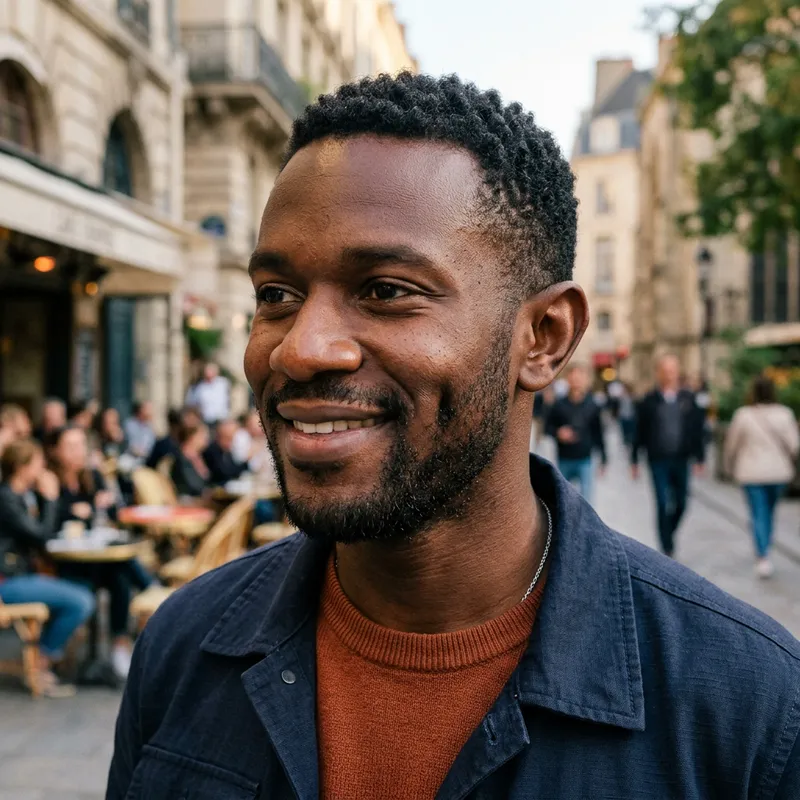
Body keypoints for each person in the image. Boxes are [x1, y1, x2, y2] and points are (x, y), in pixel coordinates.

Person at [108, 73, 800, 799]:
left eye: (386, 290)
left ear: (544, 337)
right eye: (276, 296)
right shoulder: (183, 649)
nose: (300, 349)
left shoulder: (747, 714)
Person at [47, 426, 152, 678]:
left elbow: (115, 514)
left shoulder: (92, 475)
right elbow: (51, 523)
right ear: (56, 451)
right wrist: (82, 509)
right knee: (123, 568)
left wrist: (106, 501)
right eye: (70, 446)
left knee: (120, 573)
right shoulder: (51, 481)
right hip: (68, 563)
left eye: (81, 445)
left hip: (98, 560)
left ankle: (118, 644)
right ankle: (150, 593)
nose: (78, 451)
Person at [0, 439, 95, 696]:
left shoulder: (22, 496)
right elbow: (42, 535)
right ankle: (42, 661)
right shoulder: (6, 498)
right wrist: (51, 499)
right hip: (7, 582)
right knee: (81, 600)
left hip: (23, 575)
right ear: (22, 467)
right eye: (38, 462)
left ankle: (53, 658)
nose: (43, 467)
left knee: (85, 587)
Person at [724, 376, 799, 579]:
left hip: (751, 473)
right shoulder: (785, 414)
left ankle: (762, 555)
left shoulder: (743, 415)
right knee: (770, 512)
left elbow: (732, 444)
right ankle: (765, 547)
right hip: (778, 473)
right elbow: (794, 445)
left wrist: (728, 465)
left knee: (758, 513)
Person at [631, 354, 706, 557]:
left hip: (681, 458)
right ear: (659, 373)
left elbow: (698, 429)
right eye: (665, 370)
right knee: (663, 503)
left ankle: (668, 533)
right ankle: (667, 546)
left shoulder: (688, 399)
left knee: (681, 503)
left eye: (673, 370)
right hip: (658, 459)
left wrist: (700, 457)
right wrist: (634, 460)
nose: (669, 374)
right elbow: (639, 431)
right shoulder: (649, 400)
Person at [545, 364, 606, 502]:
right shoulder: (558, 404)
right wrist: (558, 432)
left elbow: (598, 433)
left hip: (585, 460)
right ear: (568, 379)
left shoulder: (593, 405)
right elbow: (547, 428)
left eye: (580, 376)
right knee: (563, 501)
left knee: (587, 501)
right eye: (573, 376)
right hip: (564, 459)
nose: (576, 380)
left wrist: (604, 458)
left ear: (585, 380)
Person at [170, 422, 211, 498]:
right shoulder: (182, 458)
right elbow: (192, 485)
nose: (206, 440)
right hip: (187, 500)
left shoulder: (198, 457)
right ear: (192, 437)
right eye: (202, 436)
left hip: (200, 498)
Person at [203, 419, 248, 487]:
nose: (230, 442)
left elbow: (236, 469)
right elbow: (224, 473)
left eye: (231, 438)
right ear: (219, 436)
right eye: (227, 438)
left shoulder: (226, 450)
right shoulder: (211, 451)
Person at [185, 362, 230, 426]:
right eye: (208, 370)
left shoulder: (223, 383)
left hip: (221, 419)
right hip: (205, 420)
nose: (209, 373)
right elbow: (191, 403)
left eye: (211, 370)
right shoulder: (199, 386)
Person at [618, 383, 637, 450]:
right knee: (624, 431)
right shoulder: (621, 397)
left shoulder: (632, 396)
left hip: (631, 416)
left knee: (630, 431)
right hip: (623, 416)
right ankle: (626, 442)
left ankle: (630, 442)